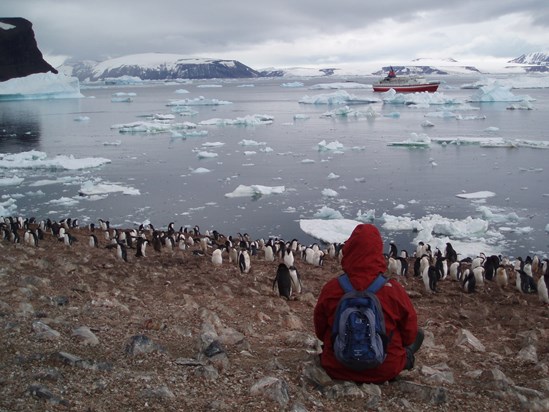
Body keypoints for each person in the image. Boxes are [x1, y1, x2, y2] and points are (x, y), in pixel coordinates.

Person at [314, 223, 423, 384]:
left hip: (337, 366)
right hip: (385, 369)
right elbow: (409, 335)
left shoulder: (332, 288)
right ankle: (403, 360)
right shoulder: (393, 289)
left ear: (350, 249)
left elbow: (320, 331)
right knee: (418, 335)